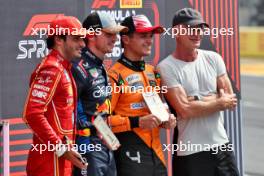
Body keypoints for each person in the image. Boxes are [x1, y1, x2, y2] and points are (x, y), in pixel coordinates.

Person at [157, 8, 240, 176]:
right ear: (176, 32)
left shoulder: (213, 58)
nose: (197, 33)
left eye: (200, 29)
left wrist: (196, 100)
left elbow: (230, 100)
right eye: (191, 29)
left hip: (222, 147)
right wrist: (218, 101)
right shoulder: (165, 67)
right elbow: (185, 110)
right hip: (190, 152)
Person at [108, 14, 176, 176]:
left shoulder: (152, 72)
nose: (149, 40)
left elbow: (157, 110)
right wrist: (137, 122)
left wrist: (165, 120)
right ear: (125, 39)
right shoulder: (114, 75)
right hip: (130, 155)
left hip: (157, 156)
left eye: (150, 36)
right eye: (143, 36)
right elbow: (102, 123)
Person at [23, 16, 87, 176]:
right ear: (59, 39)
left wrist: (64, 150)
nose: (83, 44)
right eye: (76, 38)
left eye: (83, 38)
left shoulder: (63, 68)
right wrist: (60, 148)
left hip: (59, 160)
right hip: (48, 164)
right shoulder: (52, 69)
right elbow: (32, 114)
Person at [71, 12, 127, 176]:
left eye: (116, 34)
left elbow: (98, 111)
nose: (115, 38)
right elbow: (71, 111)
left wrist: (107, 134)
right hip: (87, 147)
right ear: (91, 35)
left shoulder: (99, 64)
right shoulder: (77, 66)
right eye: (109, 33)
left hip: (104, 146)